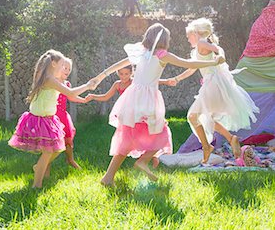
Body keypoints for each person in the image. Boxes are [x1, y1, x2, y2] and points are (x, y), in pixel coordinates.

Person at [92, 23, 225, 186]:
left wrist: (100, 76)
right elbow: (189, 63)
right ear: (164, 40)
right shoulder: (162, 55)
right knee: (161, 133)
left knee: (128, 135)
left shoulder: (141, 52)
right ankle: (142, 161)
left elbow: (118, 65)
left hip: (132, 98)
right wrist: (213, 62)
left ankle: (108, 177)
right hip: (148, 99)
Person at [170, 18, 259, 163]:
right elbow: (192, 68)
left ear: (196, 33)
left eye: (188, 36)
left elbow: (218, 49)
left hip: (211, 84)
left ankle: (206, 146)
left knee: (193, 116)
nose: (188, 39)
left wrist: (221, 56)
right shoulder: (199, 48)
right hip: (211, 84)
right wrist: (177, 78)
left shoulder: (202, 42)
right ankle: (231, 138)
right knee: (207, 118)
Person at [8, 50, 96, 188]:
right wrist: (88, 86)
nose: (63, 68)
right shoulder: (49, 79)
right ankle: (36, 184)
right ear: (53, 64)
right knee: (49, 150)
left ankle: (39, 169)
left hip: (48, 118)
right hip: (40, 119)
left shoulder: (47, 76)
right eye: (62, 65)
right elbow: (71, 93)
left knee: (56, 148)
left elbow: (69, 94)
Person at [55, 57, 87, 170]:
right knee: (50, 142)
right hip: (52, 116)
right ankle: (45, 166)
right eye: (65, 68)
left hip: (63, 116)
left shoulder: (67, 84)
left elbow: (71, 96)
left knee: (68, 139)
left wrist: (83, 100)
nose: (67, 71)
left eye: (69, 69)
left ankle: (70, 160)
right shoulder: (52, 82)